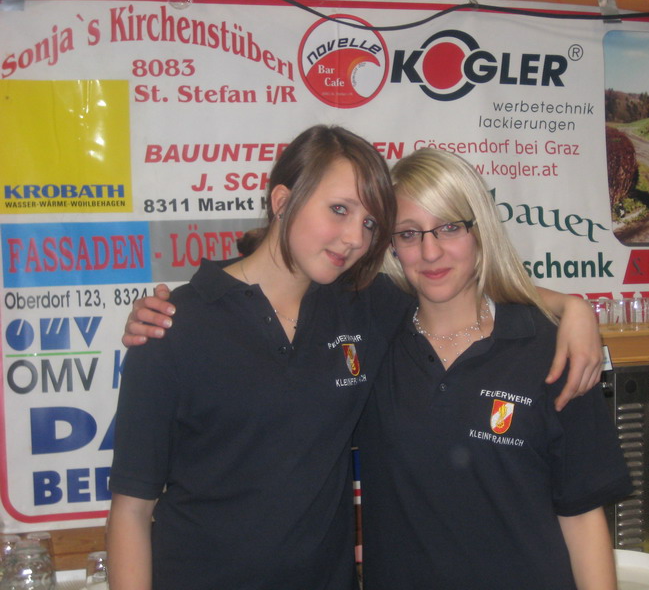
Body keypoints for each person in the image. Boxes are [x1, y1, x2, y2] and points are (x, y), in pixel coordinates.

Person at [111, 126, 604, 589]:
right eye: (339, 210)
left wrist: (572, 307)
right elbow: (131, 510)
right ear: (282, 201)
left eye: (369, 223)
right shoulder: (173, 326)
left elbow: (461, 283)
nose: (354, 238)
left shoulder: (361, 306)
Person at [357, 148, 631, 590]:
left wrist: (575, 308)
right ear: (390, 244)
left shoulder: (550, 348)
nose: (430, 251)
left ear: (480, 230)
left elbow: (581, 516)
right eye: (408, 234)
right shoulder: (372, 340)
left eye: (450, 227)